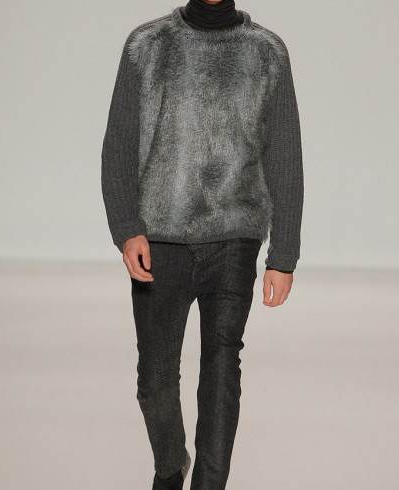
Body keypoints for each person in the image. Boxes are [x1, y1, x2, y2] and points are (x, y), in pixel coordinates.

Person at [101, 0, 304, 488]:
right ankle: (171, 468)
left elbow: (284, 153)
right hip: (160, 236)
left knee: (221, 369)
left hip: (235, 233)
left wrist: (283, 254)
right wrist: (126, 227)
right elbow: (119, 144)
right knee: (154, 380)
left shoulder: (267, 52)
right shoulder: (147, 45)